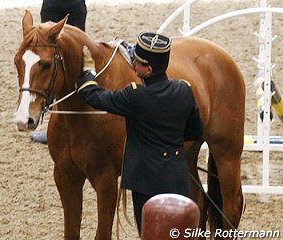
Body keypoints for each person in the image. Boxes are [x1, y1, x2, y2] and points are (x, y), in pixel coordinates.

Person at [75, 32, 204, 235]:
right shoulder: (184, 90)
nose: (133, 62)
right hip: (178, 177)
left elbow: (96, 97)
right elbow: (196, 131)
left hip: (146, 182)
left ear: (149, 69)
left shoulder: (136, 96)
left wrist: (88, 75)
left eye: (138, 61)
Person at [30, 0, 87, 144]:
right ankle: (52, 126)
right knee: (49, 61)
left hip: (75, 5)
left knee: (74, 59)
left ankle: (77, 125)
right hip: (53, 5)